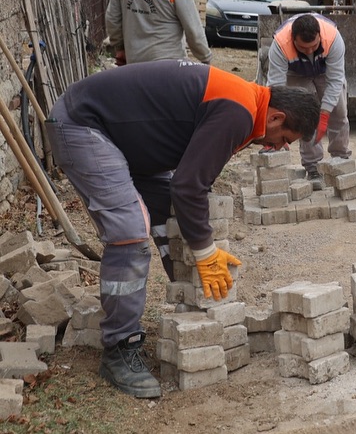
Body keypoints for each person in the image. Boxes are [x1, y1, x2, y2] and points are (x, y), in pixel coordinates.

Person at [45, 60, 319, 398]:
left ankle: (190, 305)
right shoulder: (240, 110)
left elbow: (188, 183)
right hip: (82, 124)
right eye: (285, 139)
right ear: (276, 117)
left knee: (169, 219)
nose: (280, 148)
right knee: (130, 232)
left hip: (129, 141)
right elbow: (190, 186)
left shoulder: (245, 103)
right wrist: (205, 252)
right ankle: (119, 348)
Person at [265, 13, 351, 189]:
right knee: (303, 117)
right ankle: (313, 167)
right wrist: (279, 128)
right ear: (293, 40)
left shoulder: (333, 38)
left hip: (325, 72)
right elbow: (276, 88)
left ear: (319, 36)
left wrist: (325, 114)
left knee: (339, 112)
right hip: (295, 73)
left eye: (313, 46)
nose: (310, 51)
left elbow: (335, 81)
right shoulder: (280, 44)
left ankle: (340, 159)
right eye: (304, 48)